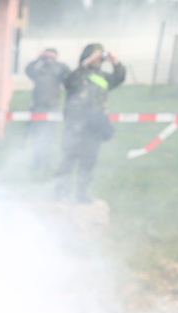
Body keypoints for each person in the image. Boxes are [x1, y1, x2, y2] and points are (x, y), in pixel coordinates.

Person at [53, 43, 125, 203]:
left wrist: (115, 62)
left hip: (94, 127)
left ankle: (82, 193)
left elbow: (119, 78)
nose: (97, 60)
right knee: (68, 160)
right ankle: (60, 192)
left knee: (88, 162)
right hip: (75, 126)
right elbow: (67, 82)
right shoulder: (78, 75)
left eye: (99, 57)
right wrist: (84, 64)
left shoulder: (103, 77)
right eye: (94, 56)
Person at [24, 48, 70, 170]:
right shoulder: (38, 70)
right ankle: (37, 163)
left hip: (52, 107)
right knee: (37, 136)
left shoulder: (58, 70)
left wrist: (54, 60)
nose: (49, 58)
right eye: (47, 55)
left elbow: (68, 72)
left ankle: (47, 163)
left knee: (49, 137)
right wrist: (38, 58)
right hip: (38, 107)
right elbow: (28, 69)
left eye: (52, 55)